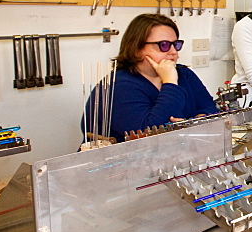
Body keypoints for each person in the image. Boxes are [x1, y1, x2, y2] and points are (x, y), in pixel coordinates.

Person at [83, 13, 218, 143]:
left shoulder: (184, 74)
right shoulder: (118, 86)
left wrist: (195, 122)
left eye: (176, 44)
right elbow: (149, 134)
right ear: (136, 49)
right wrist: (170, 82)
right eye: (163, 45)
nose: (173, 52)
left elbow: (209, 108)